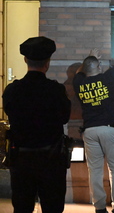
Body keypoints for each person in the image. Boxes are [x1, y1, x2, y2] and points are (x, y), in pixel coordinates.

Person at [2, 36, 71, 213]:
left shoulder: (12, 90)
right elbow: (65, 117)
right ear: (47, 63)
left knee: (22, 207)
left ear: (25, 60)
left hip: (21, 159)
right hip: (52, 159)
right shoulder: (56, 90)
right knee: (53, 207)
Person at [73, 32, 114, 213]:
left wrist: (89, 58)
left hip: (90, 132)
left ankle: (99, 208)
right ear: (99, 66)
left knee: (95, 171)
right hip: (109, 130)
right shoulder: (108, 79)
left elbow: (78, 73)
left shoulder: (79, 83)